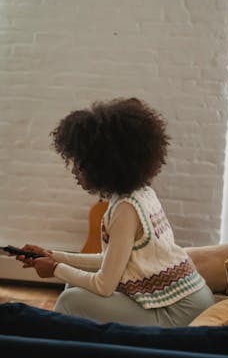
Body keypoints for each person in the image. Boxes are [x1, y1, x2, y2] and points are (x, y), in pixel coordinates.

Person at [17, 97, 214, 327]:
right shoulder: (140, 193)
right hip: (192, 301)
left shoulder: (125, 210)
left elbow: (104, 284)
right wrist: (53, 255)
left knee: (71, 300)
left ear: (103, 164)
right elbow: (110, 261)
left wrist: (56, 269)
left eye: (80, 163)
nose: (74, 171)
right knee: (74, 286)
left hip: (180, 314)